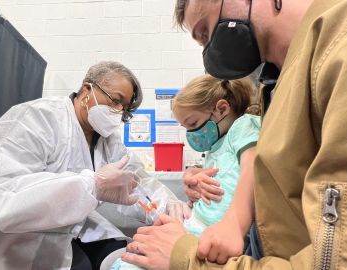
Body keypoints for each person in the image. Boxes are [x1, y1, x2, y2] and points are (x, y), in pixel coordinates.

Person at [122, 0, 347, 269]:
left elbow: (345, 258)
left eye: (206, 32)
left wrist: (186, 257)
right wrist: (198, 176)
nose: (211, 53)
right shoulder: (274, 84)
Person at [0, 61, 179, 270]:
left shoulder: (107, 140)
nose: (118, 112)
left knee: (124, 255)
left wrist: (169, 207)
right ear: (87, 89)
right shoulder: (37, 119)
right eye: (115, 100)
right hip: (15, 239)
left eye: (125, 108)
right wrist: (90, 186)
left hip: (72, 230)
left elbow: (136, 180)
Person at [111, 75, 260, 270]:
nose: (191, 135)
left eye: (192, 123)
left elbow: (253, 166)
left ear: (222, 109)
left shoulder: (244, 126)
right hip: (196, 226)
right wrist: (193, 174)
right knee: (125, 261)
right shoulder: (216, 145)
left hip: (213, 234)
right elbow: (224, 173)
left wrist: (236, 224)